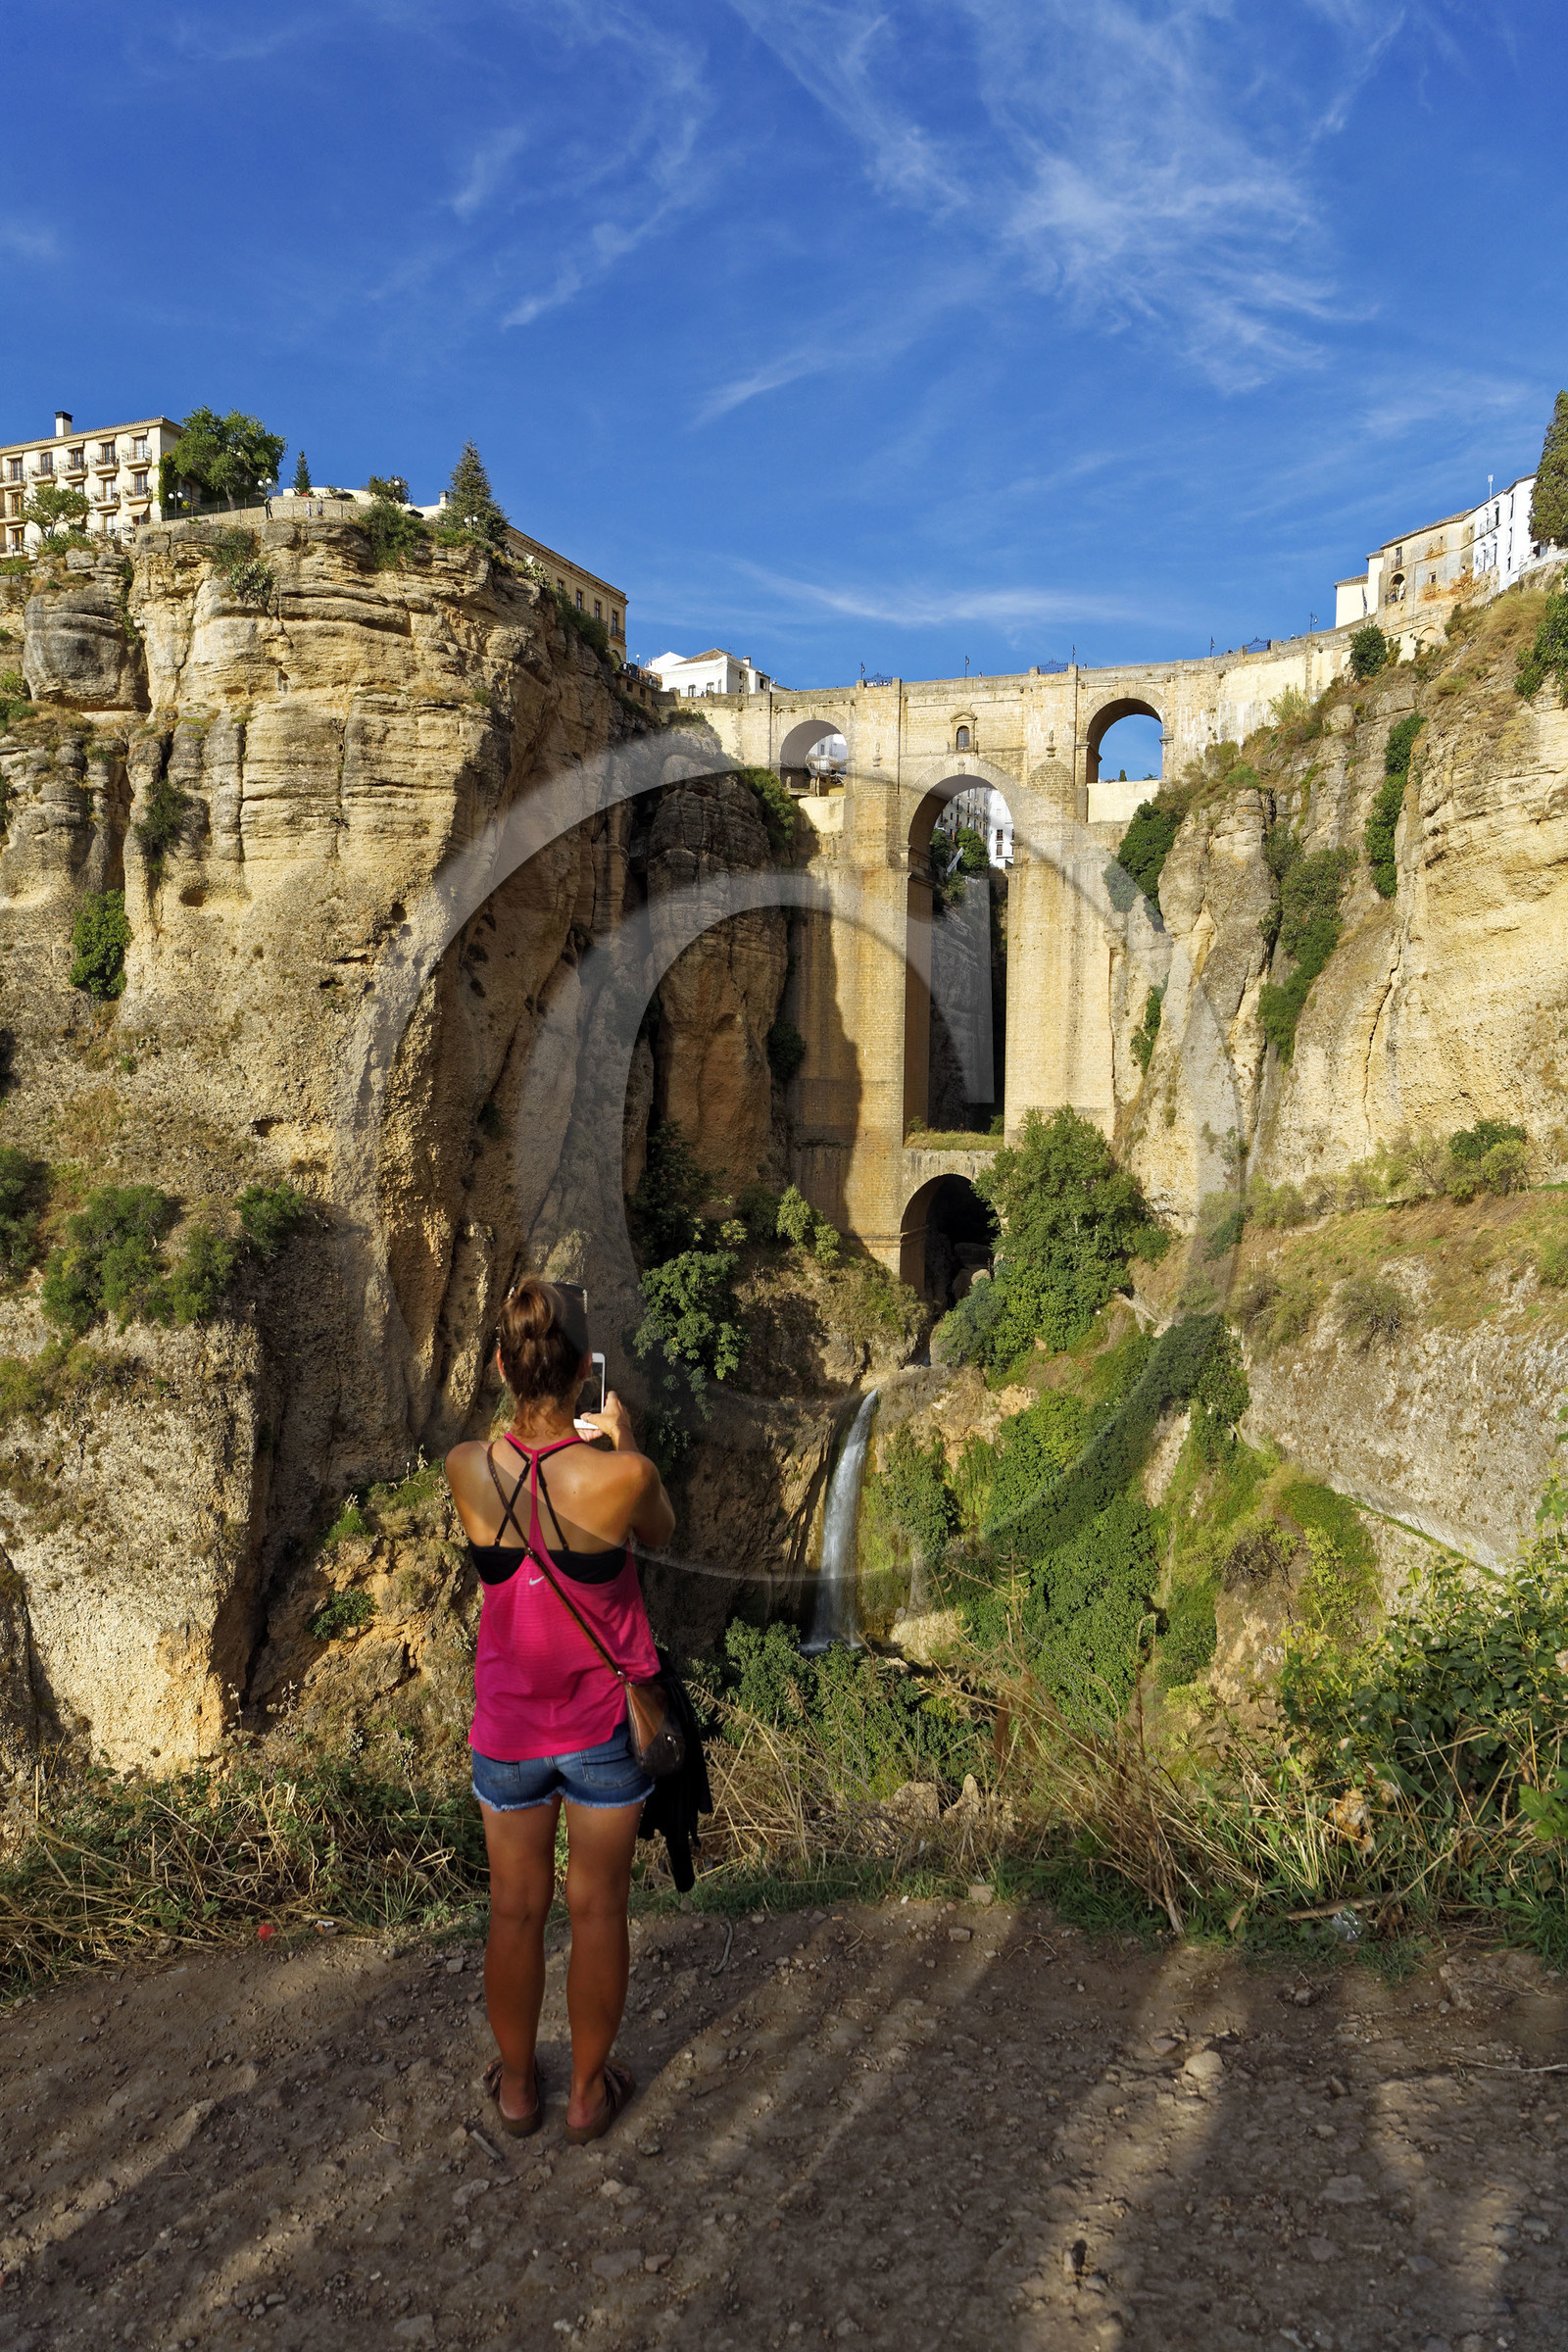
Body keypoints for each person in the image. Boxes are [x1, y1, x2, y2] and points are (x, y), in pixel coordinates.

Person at [444, 1279, 675, 2143]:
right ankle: (585, 2093)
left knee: (514, 1911)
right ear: (584, 1370)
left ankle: (515, 2088)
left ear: (502, 1364)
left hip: (506, 1728)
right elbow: (662, 1529)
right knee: (597, 1910)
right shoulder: (624, 1478)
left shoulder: (466, 1467)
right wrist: (624, 1443)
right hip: (604, 1731)